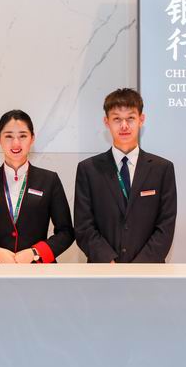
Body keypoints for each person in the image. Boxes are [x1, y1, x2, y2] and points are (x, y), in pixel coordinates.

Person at [73, 88, 176, 263]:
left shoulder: (162, 169)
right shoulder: (88, 169)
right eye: (117, 119)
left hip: (149, 271)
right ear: (106, 122)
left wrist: (139, 267)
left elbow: (166, 226)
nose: (124, 126)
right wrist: (108, 261)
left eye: (130, 118)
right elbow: (84, 226)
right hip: (103, 270)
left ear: (141, 120)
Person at [0, 110, 74, 263]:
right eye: (8, 136)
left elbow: (66, 232)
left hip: (38, 270)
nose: (16, 143)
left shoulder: (49, 180)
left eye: (23, 136)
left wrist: (35, 252)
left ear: (32, 138)